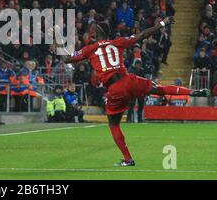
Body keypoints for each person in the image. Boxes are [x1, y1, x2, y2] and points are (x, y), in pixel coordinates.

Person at [64, 18, 210, 166]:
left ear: (96, 32)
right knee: (159, 89)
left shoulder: (90, 49)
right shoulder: (118, 42)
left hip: (115, 89)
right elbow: (142, 35)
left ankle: (128, 159)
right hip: (129, 80)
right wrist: (162, 23)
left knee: (114, 124)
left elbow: (67, 59)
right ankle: (193, 91)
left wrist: (57, 45)